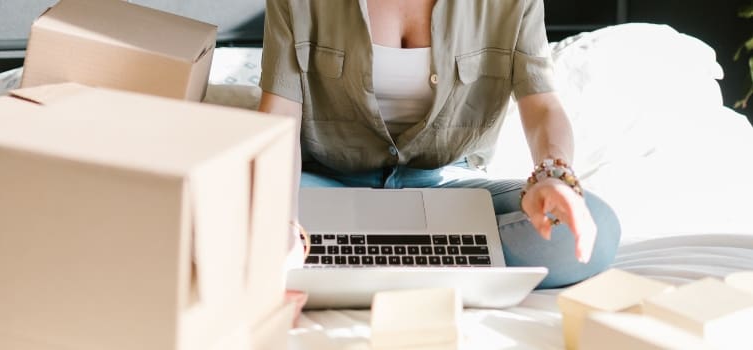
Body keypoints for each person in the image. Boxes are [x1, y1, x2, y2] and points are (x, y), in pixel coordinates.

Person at [258, 0, 621, 288]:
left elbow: (542, 105)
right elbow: (279, 118)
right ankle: (428, 255)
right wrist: (282, 221)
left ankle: (358, 254)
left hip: (447, 187)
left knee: (595, 228)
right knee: (220, 211)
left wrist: (554, 175)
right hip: (329, 184)